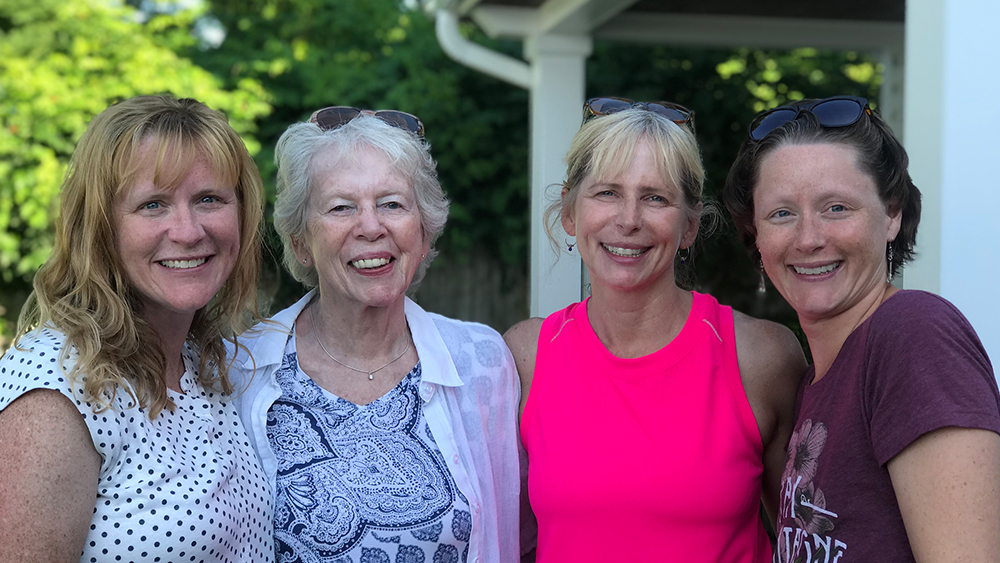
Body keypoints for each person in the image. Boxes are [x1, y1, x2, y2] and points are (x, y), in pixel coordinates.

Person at [503, 97, 806, 562]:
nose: (628, 220)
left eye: (655, 198)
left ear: (689, 226)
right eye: (607, 193)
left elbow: (804, 542)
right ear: (570, 212)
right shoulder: (526, 356)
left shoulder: (760, 357)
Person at [229, 106, 521, 563]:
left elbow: (512, 536)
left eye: (392, 204)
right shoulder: (238, 371)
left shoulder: (481, 361)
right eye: (341, 207)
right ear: (301, 242)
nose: (370, 226)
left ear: (423, 234)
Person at [723, 95, 1000, 562]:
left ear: (891, 214)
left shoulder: (914, 335)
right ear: (757, 235)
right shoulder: (816, 382)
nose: (809, 238)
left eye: (836, 208)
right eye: (782, 213)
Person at [0, 95, 272, 562]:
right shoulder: (58, 387)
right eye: (153, 205)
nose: (188, 231)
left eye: (208, 199)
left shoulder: (207, 365)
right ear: (100, 228)